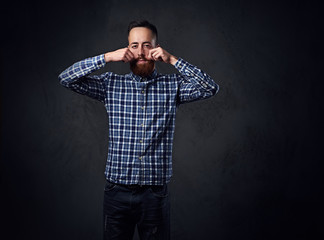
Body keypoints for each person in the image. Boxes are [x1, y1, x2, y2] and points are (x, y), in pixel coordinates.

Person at [58, 20, 219, 240]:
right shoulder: (110, 84)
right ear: (127, 49)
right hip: (116, 193)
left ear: (156, 48)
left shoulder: (173, 87)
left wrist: (173, 60)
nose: (141, 52)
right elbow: (66, 78)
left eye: (146, 45)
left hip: (155, 195)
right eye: (134, 46)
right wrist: (106, 57)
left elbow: (210, 88)